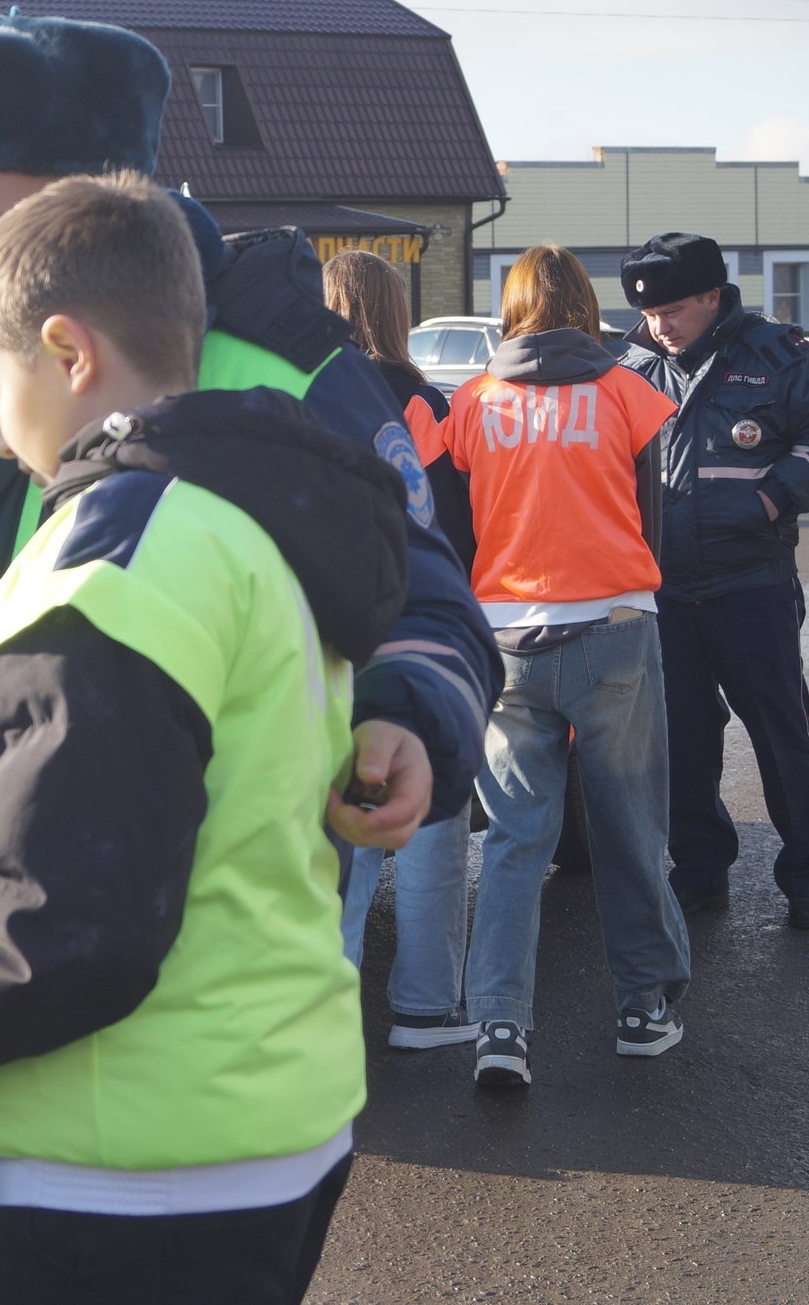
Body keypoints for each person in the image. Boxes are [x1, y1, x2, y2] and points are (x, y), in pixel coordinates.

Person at [0, 12, 497, 1303]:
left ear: (108, 204)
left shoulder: (277, 364)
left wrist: (408, 714)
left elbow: (421, 585)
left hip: (153, 1023)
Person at [423, 245, 693, 1088]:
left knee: (512, 840)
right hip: (614, 623)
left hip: (505, 641)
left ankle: (500, 1025)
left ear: (509, 311)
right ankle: (644, 1008)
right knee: (628, 828)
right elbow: (650, 518)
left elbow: (454, 524)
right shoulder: (627, 392)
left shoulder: (471, 400)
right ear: (584, 304)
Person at [614, 233, 809, 931]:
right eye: (649, 312)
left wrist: (770, 498)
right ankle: (698, 872)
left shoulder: (780, 355)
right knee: (683, 741)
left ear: (712, 296)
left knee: (780, 736)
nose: (658, 324)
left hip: (751, 581)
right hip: (661, 589)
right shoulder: (624, 366)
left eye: (672, 309)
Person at [321, 249, 477, 1051]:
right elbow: (444, 524)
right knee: (427, 834)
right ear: (395, 309)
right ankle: (423, 1010)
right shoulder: (419, 400)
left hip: (329, 639)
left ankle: (325, 1017)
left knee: (340, 836)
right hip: (410, 633)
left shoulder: (304, 390)